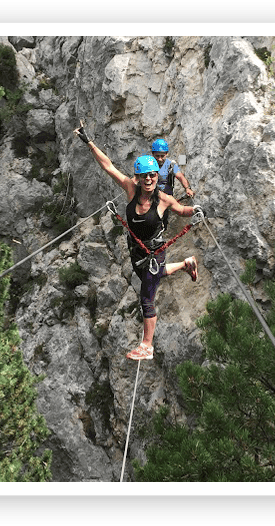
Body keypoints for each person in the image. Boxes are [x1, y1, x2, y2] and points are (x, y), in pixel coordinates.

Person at [74, 122, 200, 361]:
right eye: (145, 176)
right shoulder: (131, 189)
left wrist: (195, 210)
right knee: (156, 277)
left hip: (154, 253)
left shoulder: (163, 198)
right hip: (136, 253)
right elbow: (108, 167)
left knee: (146, 299)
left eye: (153, 175)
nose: (150, 179)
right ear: (138, 177)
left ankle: (147, 345)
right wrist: (88, 142)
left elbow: (181, 210)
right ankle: (186, 264)